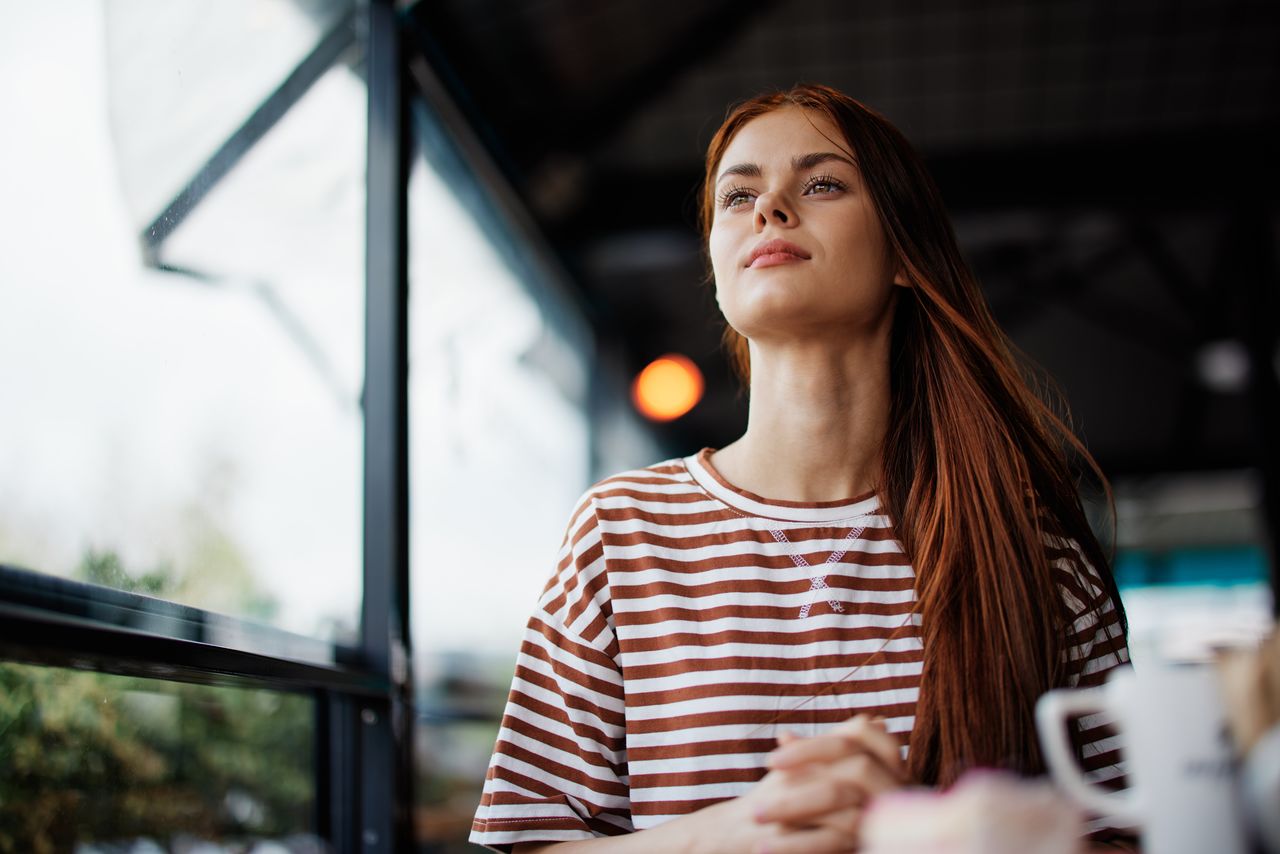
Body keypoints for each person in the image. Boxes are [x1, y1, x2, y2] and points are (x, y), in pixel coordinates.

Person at [469, 83, 1133, 853]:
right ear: (717, 267)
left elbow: (1137, 833)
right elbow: (528, 843)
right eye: (738, 194)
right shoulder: (621, 532)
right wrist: (741, 832)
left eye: (820, 184)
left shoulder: (1029, 547)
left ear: (905, 256)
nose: (769, 209)